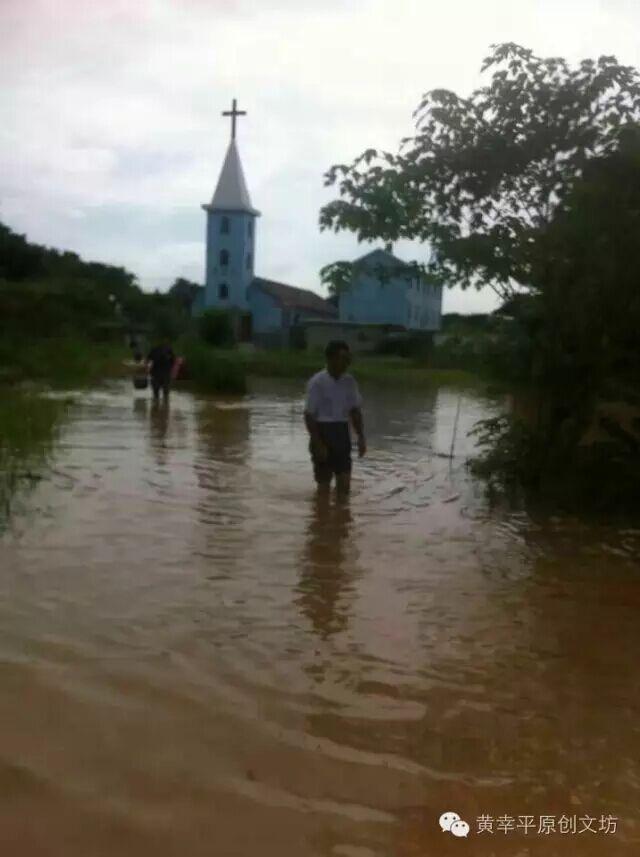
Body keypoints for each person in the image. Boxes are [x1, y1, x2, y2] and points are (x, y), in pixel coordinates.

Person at [304, 340, 366, 496]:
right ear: (331, 359)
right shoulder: (317, 382)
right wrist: (318, 444)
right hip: (322, 431)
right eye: (343, 358)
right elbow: (309, 415)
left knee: (344, 486)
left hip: (342, 433)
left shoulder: (349, 382)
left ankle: (341, 518)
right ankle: (322, 518)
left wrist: (361, 437)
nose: (347, 363)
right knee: (324, 488)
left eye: (348, 359)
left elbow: (355, 411)